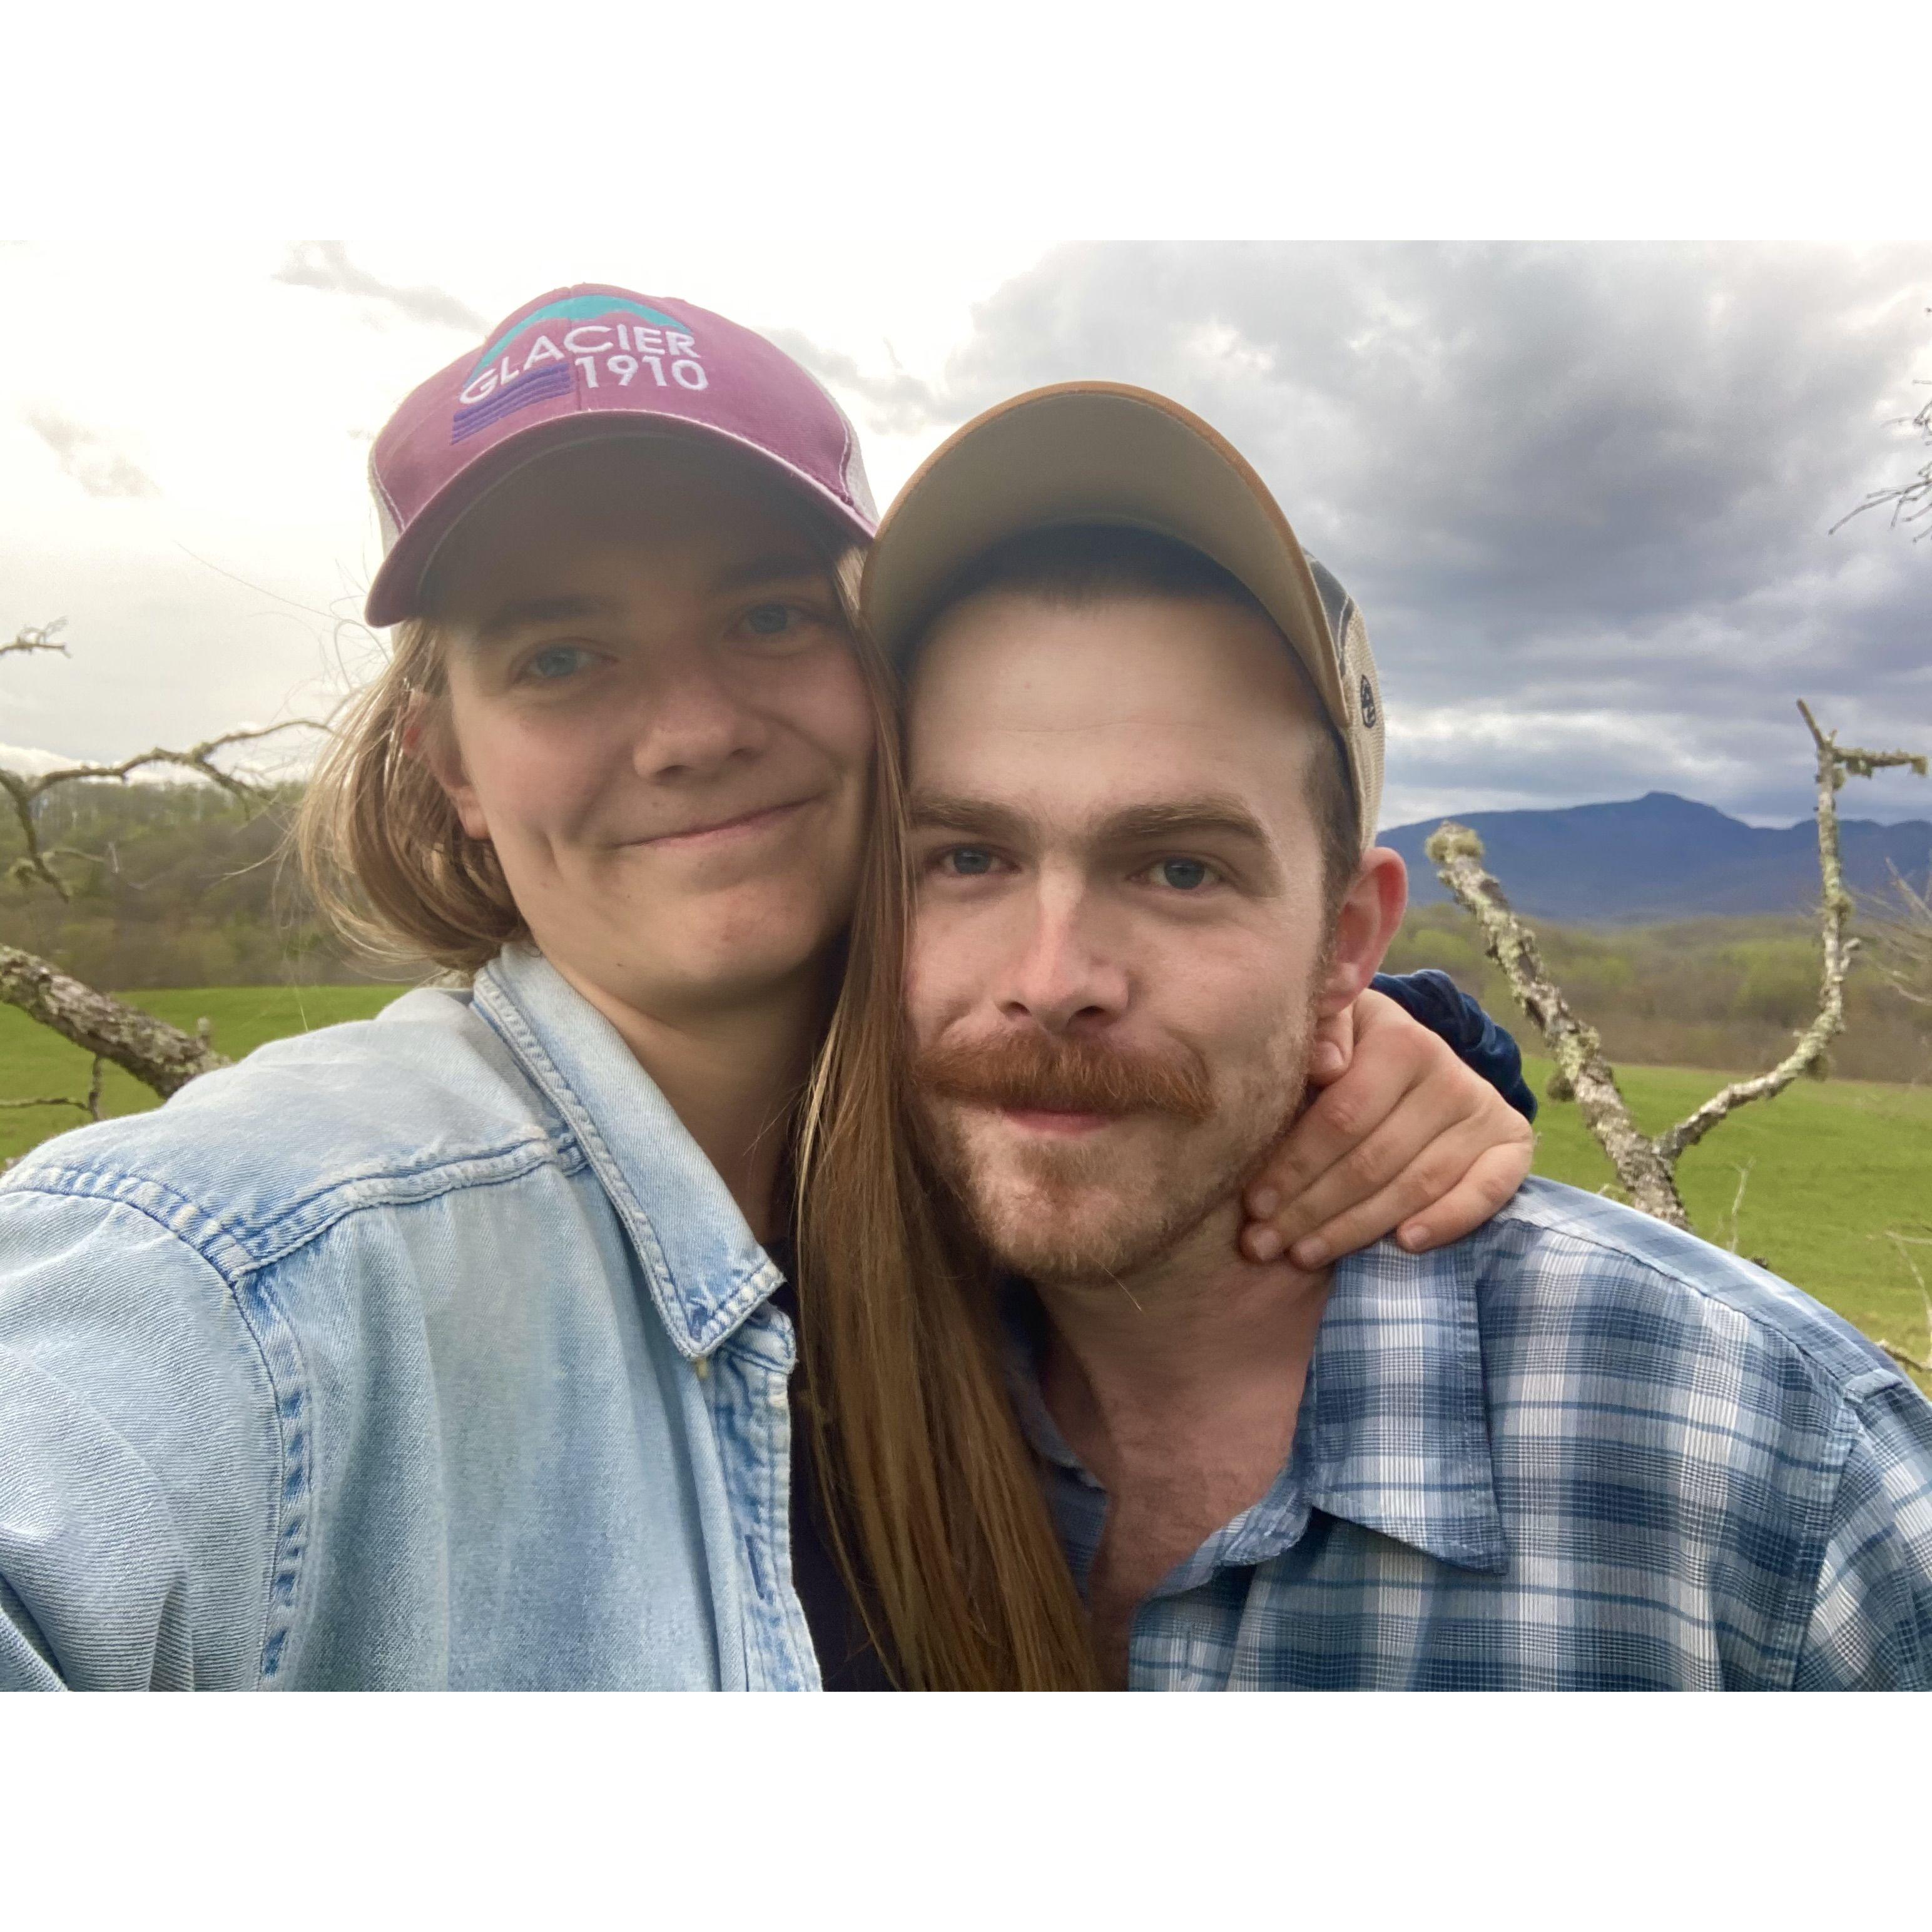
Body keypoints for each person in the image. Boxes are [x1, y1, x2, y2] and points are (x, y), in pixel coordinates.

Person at [0, 288, 1530, 1692]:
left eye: (766, 615)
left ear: (882, 678)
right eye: (559, 655)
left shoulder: (957, 1158)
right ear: (450, 763)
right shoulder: (255, 1264)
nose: (689, 730)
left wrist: (1361, 1043)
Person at [868, 379, 1932, 1690]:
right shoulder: (804, 1390)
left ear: (1347, 947)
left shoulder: (1780, 1484)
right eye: (965, 855)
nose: (1053, 978)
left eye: (1178, 869)